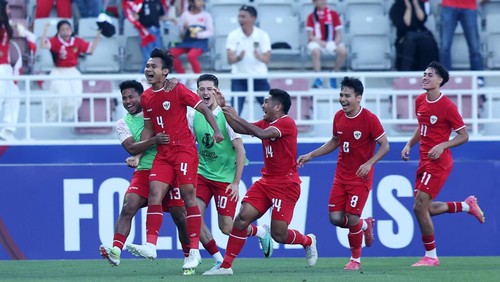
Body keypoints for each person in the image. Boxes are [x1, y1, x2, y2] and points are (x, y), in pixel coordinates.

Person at [125, 48, 224, 273]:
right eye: (147, 66)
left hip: (184, 151)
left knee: (189, 198)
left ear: (165, 71)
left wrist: (216, 130)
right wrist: (138, 154)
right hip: (163, 154)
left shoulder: (178, 89)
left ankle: (194, 253)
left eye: (153, 66)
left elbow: (204, 109)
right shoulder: (147, 97)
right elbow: (149, 128)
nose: (148, 69)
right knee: (154, 193)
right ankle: (151, 245)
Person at [203, 88, 318, 276]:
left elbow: (261, 134)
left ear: (278, 106)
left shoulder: (287, 123)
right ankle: (226, 266)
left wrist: (236, 116)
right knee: (241, 218)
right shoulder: (266, 122)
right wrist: (223, 108)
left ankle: (308, 241)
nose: (263, 105)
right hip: (266, 182)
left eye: (266, 102)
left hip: (286, 185)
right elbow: (241, 128)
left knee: (279, 234)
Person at [297, 77, 389, 270]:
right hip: (341, 175)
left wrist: (370, 163)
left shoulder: (370, 119)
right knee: (335, 219)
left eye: (347, 95)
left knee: (352, 217)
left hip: (360, 177)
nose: (343, 99)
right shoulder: (339, 116)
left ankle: (355, 259)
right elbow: (334, 141)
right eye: (341, 95)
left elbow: (385, 146)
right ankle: (365, 225)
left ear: (359, 98)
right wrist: (311, 155)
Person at [401, 61, 485, 267]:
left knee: (419, 207)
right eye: (424, 74)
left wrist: (443, 145)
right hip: (423, 160)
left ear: (440, 80)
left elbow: (464, 135)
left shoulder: (447, 106)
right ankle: (466, 205)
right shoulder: (420, 100)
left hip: (439, 163)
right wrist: (409, 144)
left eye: (430, 75)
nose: (425, 77)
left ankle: (431, 256)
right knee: (425, 208)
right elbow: (421, 127)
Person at [99, 79, 191, 267]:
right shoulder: (122, 123)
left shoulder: (157, 111)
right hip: (144, 172)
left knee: (180, 217)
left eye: (131, 96)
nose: (127, 101)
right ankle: (116, 250)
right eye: (124, 98)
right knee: (128, 206)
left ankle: (189, 256)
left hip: (169, 168)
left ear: (142, 96)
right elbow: (131, 147)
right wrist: (154, 141)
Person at [187, 73, 273, 273]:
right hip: (202, 175)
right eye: (202, 89)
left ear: (217, 92)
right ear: (197, 92)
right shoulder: (193, 114)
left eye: (210, 89)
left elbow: (241, 150)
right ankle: (215, 258)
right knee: (192, 214)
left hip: (225, 179)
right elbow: (191, 144)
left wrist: (235, 183)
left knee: (227, 227)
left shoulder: (226, 116)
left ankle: (260, 232)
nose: (205, 92)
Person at [40, 19, 101, 122]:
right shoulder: (55, 41)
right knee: (60, 95)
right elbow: (43, 45)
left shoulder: (77, 41)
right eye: (62, 29)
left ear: (71, 30)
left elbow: (90, 50)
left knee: (76, 96)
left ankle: (68, 117)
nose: (65, 32)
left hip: (72, 71)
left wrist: (98, 35)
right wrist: (45, 30)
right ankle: (53, 114)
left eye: (67, 29)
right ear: (58, 31)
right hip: (59, 72)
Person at [226, 5, 271, 115]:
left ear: (253, 18)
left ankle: (275, 131)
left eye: (243, 16)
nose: (240, 19)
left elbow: (267, 59)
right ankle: (232, 132)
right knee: (235, 111)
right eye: (239, 16)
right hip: (239, 77)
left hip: (259, 76)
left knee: (270, 109)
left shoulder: (262, 35)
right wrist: (238, 57)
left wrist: (259, 56)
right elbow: (229, 59)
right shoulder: (233, 35)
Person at [305, 0, 347, 89]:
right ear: (315, 2)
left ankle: (334, 74)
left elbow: (339, 34)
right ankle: (318, 77)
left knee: (343, 51)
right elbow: (310, 36)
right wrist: (322, 43)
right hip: (317, 42)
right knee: (315, 51)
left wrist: (333, 43)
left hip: (331, 41)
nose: (323, 1)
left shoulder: (334, 14)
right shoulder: (311, 16)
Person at [389, 0, 439, 71]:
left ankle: (430, 72)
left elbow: (422, 19)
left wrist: (416, 5)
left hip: (420, 33)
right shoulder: (396, 7)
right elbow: (406, 24)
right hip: (405, 35)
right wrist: (408, 8)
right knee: (409, 45)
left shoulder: (419, 3)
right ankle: (406, 73)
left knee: (429, 42)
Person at [440, 0, 484, 79]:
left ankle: (478, 78)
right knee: (444, 46)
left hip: (469, 7)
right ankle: (444, 78)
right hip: (449, 5)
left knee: (475, 47)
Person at [123, 0, 168, 72]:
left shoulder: (158, 2)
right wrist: (135, 16)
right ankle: (141, 77)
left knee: (158, 57)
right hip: (145, 31)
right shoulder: (139, 2)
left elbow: (160, 16)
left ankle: (153, 78)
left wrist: (172, 19)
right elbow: (135, 15)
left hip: (156, 31)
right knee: (147, 57)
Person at [170, 0, 213, 75]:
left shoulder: (206, 15)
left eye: (202, 1)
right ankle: (182, 75)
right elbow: (181, 32)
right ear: (192, 2)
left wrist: (199, 35)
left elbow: (210, 32)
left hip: (200, 42)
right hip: (187, 42)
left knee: (191, 55)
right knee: (170, 54)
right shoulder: (185, 15)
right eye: (199, 1)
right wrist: (184, 28)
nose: (201, 3)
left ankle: (198, 78)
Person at [0, 0, 20, 141]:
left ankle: (7, 130)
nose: (10, 10)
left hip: (6, 67)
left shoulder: (5, 25)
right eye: (7, 8)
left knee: (13, 96)